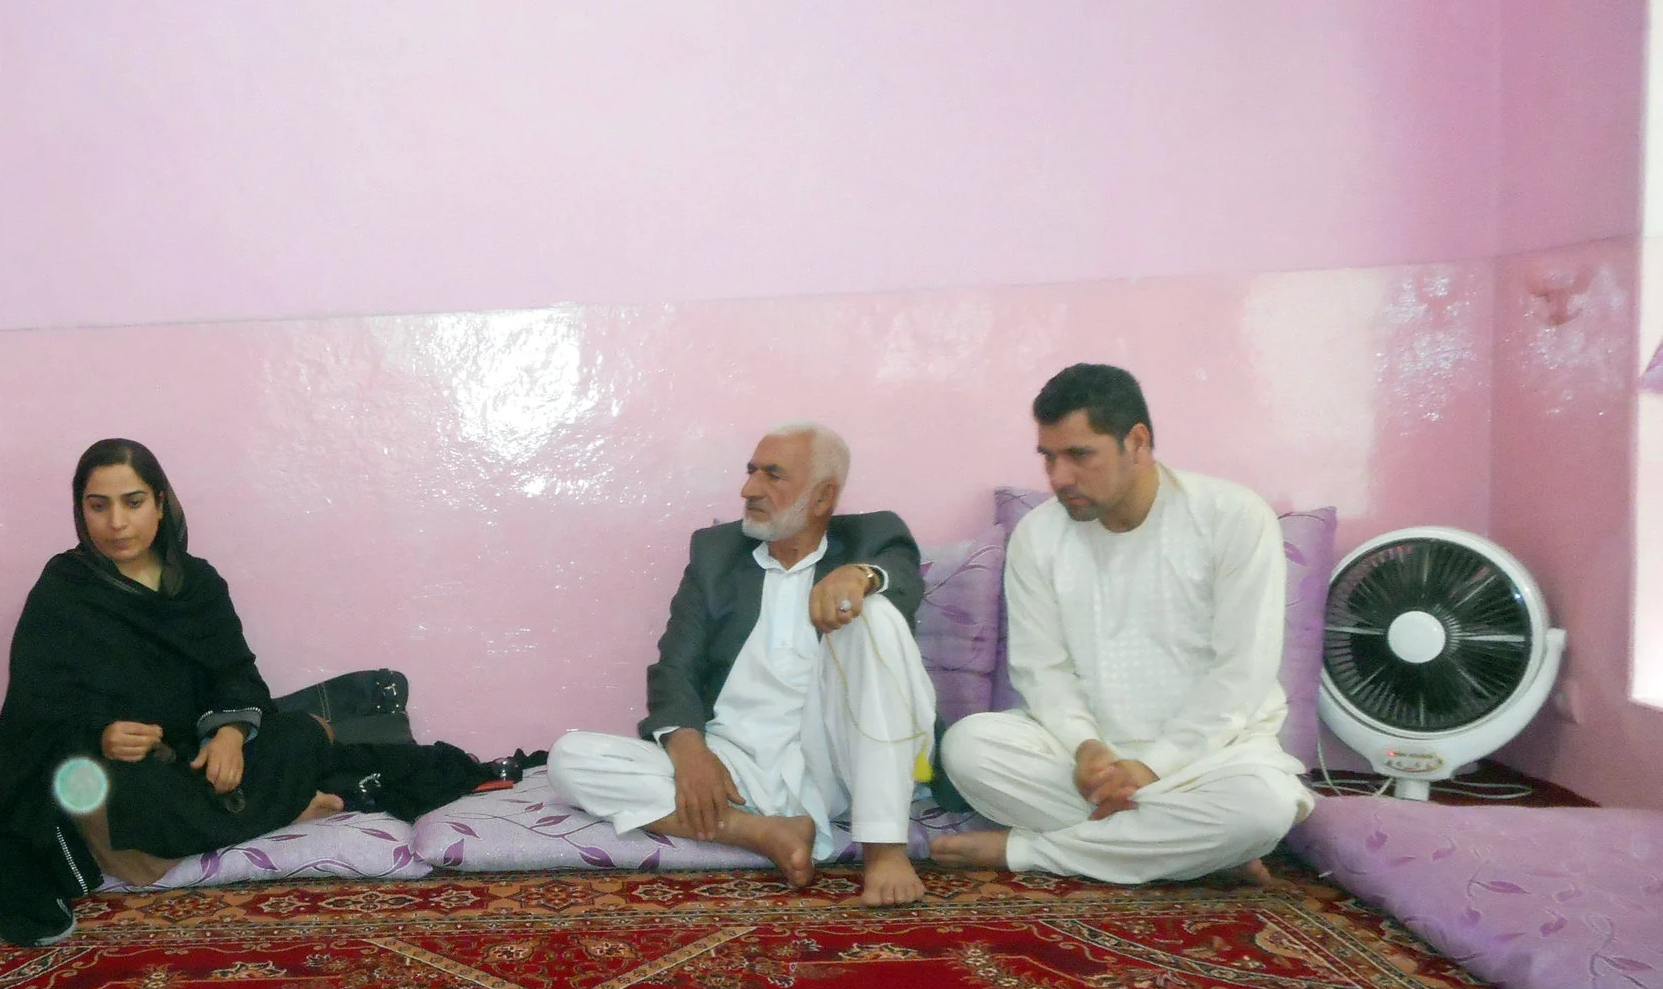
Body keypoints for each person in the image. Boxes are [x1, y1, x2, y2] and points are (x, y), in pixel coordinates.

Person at [0, 439, 342, 941]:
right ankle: (282, 807)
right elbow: (35, 708)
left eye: (133, 502)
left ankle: (243, 814)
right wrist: (99, 735)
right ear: (80, 510)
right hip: (118, 765)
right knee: (115, 795)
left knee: (298, 733)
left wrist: (231, 733)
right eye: (98, 506)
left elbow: (236, 671)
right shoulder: (64, 588)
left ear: (160, 503)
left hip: (192, 748)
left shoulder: (198, 583)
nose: (117, 524)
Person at [931, 364, 1312, 884]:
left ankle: (1033, 851)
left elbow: (1240, 673)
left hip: (1209, 760)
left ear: (1137, 442)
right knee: (969, 749)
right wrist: (1085, 747)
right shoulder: (1039, 535)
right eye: (1048, 458)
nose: (1059, 478)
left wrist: (1153, 767)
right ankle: (1197, 852)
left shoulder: (1233, 517)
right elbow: (1042, 670)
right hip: (1089, 763)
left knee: (1262, 808)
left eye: (1079, 455)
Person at [544, 423, 939, 906]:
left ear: (822, 498)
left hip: (838, 758)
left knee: (874, 612)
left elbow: (899, 574)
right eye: (751, 472)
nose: (748, 489)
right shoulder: (716, 555)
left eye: (772, 476)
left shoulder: (871, 536)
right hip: (736, 767)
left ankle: (884, 849)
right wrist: (690, 752)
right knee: (569, 759)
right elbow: (675, 667)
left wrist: (859, 576)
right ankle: (761, 832)